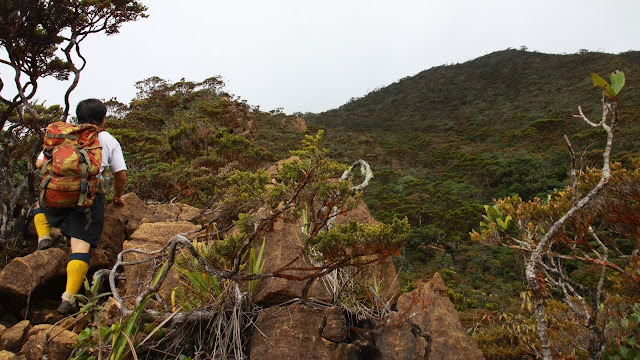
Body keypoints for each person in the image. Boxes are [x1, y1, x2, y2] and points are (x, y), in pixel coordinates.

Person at [33, 98, 127, 314]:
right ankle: (68, 297)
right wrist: (117, 196)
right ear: (103, 119)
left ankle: (44, 236)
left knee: (41, 202)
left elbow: (39, 164)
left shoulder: (63, 136)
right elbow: (120, 175)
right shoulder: (107, 140)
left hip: (58, 194)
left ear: (78, 117)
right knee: (80, 246)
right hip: (89, 198)